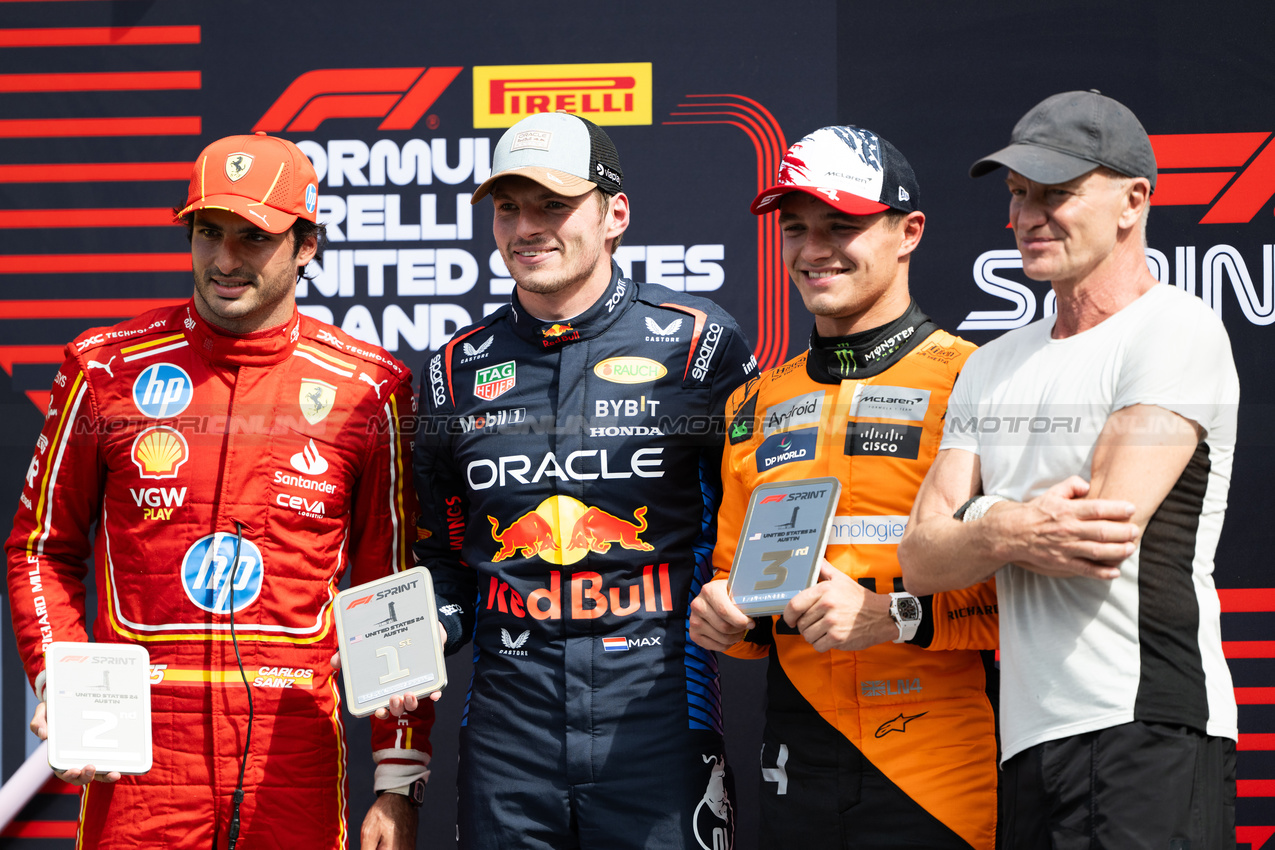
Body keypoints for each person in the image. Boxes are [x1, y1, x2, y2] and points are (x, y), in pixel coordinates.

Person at [5, 132, 433, 850]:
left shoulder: (369, 388)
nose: (225, 260)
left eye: (253, 237)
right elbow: (40, 549)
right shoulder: (104, 369)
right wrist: (60, 680)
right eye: (208, 232)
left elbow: (389, 588)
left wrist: (396, 778)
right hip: (138, 748)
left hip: (292, 746)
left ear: (305, 246)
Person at [898, 91, 1239, 849]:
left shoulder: (1175, 327)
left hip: (1147, 725)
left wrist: (978, 523)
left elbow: (1098, 536)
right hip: (1025, 743)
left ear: (1132, 201)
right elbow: (919, 559)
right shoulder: (991, 365)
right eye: (1018, 195)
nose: (1025, 215)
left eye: (1054, 193)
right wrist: (1017, 525)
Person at [412, 110, 758, 849]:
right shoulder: (451, 372)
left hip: (660, 718)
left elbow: (754, 522)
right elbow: (441, 557)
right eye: (508, 207)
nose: (526, 226)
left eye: (553, 204)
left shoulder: (699, 345)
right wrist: (422, 631)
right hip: (510, 734)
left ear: (614, 215)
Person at [689, 125, 999, 849]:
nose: (812, 249)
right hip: (797, 760)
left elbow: (1034, 596)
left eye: (842, 225)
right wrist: (725, 623)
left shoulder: (976, 378)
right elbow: (744, 600)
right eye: (795, 228)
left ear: (908, 231)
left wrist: (893, 616)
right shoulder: (755, 403)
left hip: (940, 762)